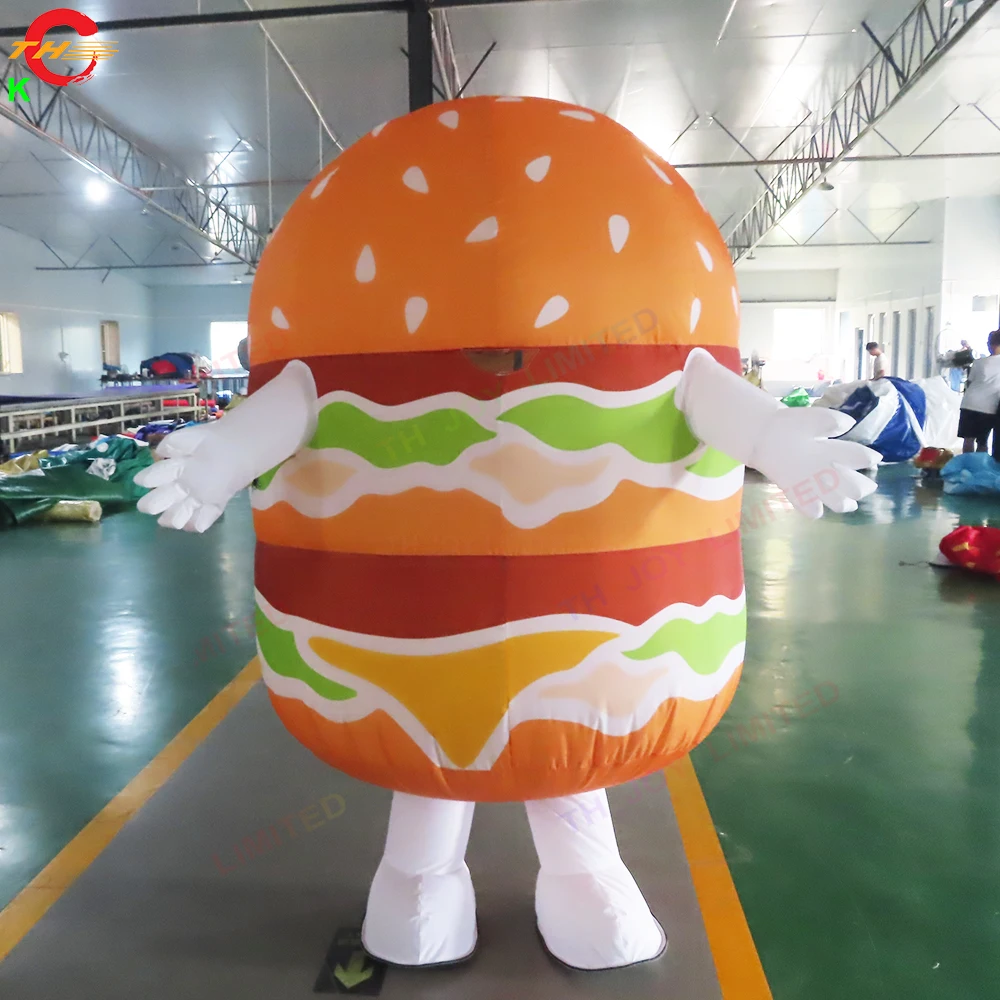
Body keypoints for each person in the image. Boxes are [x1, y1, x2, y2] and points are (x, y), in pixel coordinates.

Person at [958, 330, 1000, 454]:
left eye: (989, 343)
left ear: (993, 345)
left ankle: (967, 468)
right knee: (983, 442)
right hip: (988, 407)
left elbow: (969, 383)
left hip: (969, 403)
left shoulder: (979, 362)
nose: (987, 346)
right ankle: (980, 469)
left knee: (968, 440)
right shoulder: (979, 362)